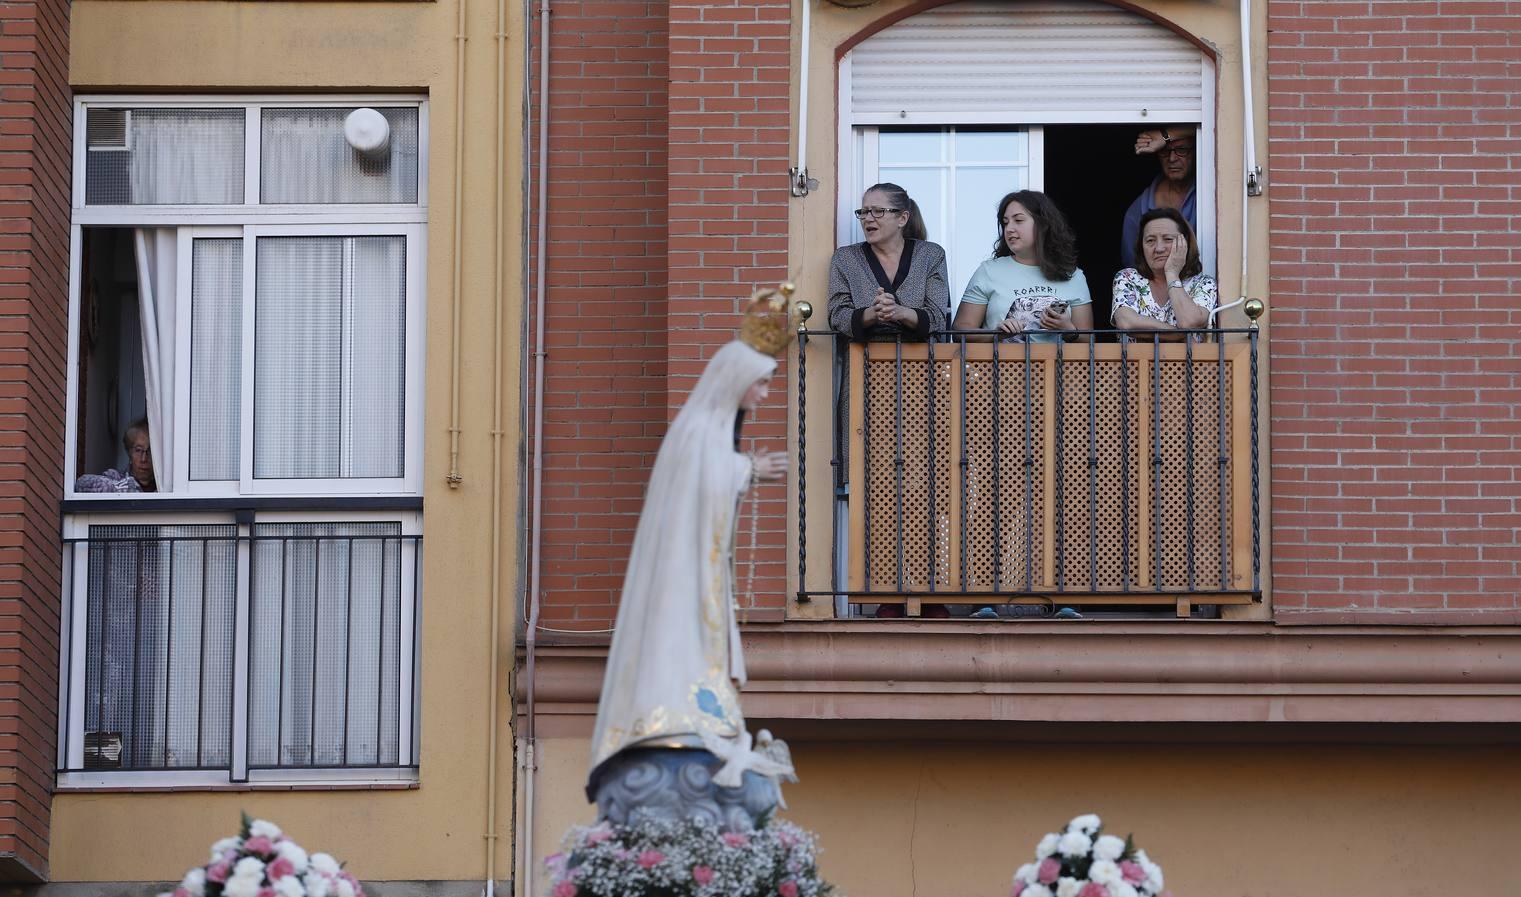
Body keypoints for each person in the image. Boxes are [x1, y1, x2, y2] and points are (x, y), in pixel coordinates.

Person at [587, 289, 792, 793]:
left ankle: (697, 707)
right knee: (678, 637)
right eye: (761, 385)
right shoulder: (701, 429)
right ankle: (673, 712)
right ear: (738, 382)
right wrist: (749, 469)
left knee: (698, 641)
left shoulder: (710, 431)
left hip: (700, 566)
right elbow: (703, 481)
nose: (764, 396)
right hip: (682, 570)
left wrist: (743, 470)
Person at [952, 190, 1093, 341]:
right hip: (1001, 364)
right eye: (1005, 223)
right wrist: (996, 334)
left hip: (1056, 364)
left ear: (1043, 224)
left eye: (1018, 220)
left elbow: (1089, 342)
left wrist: (1068, 329)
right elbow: (960, 332)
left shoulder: (1073, 276)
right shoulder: (988, 271)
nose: (1009, 228)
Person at [827, 183, 950, 342]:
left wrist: (899, 312)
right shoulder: (845, 258)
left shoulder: (930, 255)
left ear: (902, 219)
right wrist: (872, 313)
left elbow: (938, 318)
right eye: (864, 212)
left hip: (919, 364)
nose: (868, 218)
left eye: (878, 211)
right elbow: (836, 317)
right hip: (862, 363)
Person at [1112, 207, 1217, 337]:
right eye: (1150, 240)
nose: (1159, 248)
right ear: (1141, 247)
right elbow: (1126, 323)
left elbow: (1189, 323)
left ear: (1185, 244)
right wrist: (1179, 336)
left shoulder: (1203, 283)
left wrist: (1172, 274)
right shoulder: (1128, 278)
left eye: (1167, 239)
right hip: (1137, 358)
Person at [1120, 126, 1197, 269]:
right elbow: (1133, 268)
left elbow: (1218, 127)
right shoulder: (1137, 211)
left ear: (1196, 151)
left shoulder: (1209, 195)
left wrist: (1165, 136)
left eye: (1181, 150)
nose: (1172, 158)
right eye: (1165, 151)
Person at [74, 418, 157, 493]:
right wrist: (128, 487)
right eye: (138, 450)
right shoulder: (116, 477)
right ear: (129, 453)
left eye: (149, 451)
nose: (144, 459)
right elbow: (81, 484)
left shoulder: (164, 486)